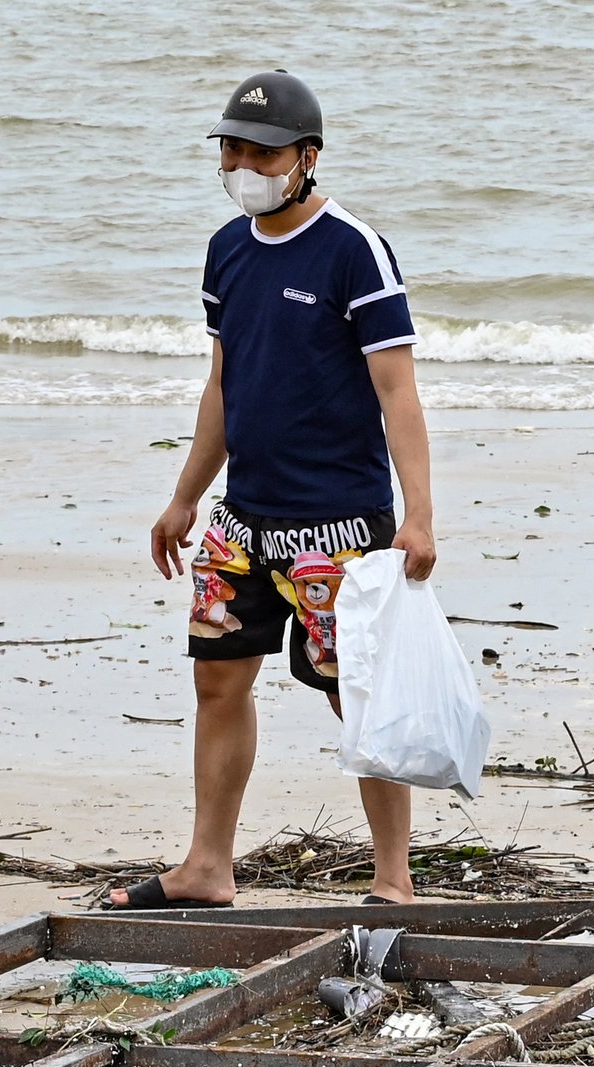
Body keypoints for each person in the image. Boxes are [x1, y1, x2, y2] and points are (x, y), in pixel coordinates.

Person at [110, 71, 439, 909]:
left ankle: (393, 876)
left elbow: (397, 389)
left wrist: (419, 515)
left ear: (306, 158)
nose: (242, 163)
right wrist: (185, 495)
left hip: (339, 524)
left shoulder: (352, 248)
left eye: (261, 151)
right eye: (231, 148)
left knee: (353, 697)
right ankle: (207, 866)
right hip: (242, 520)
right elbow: (224, 380)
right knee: (218, 681)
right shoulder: (227, 248)